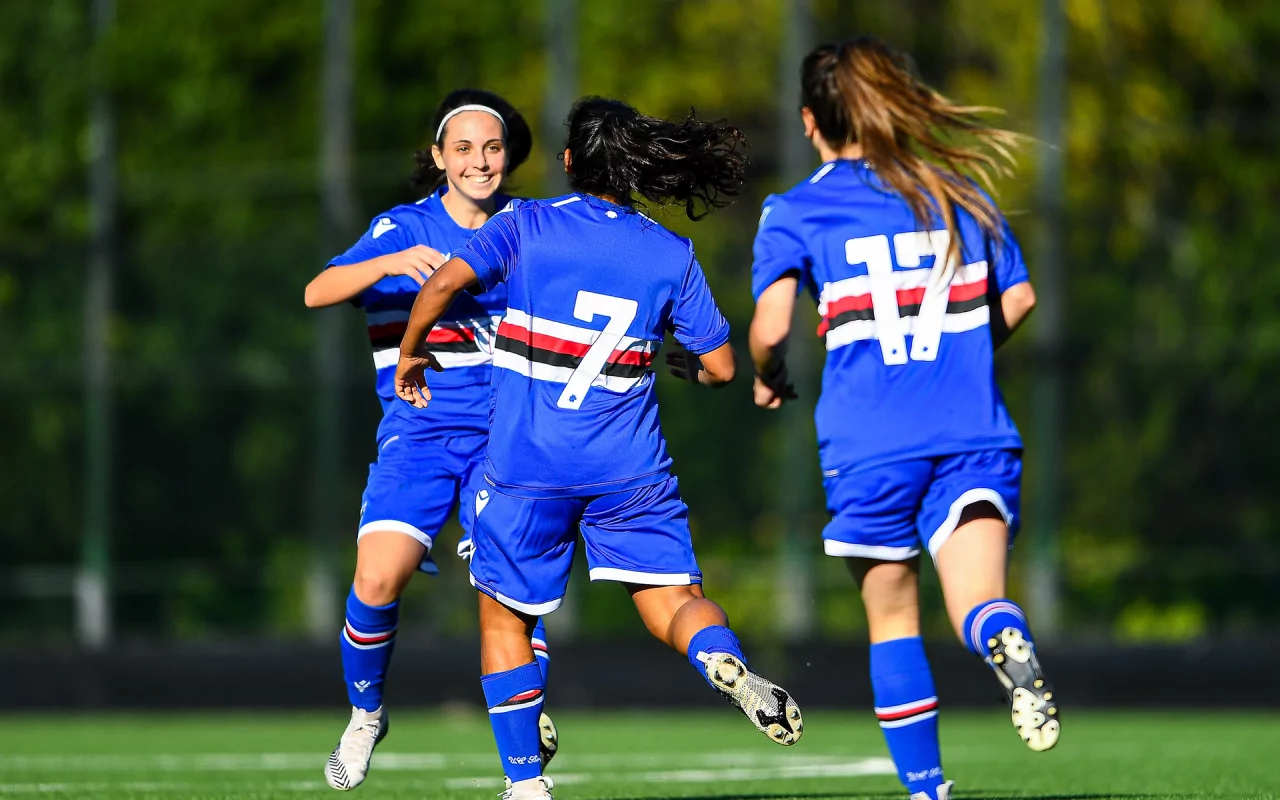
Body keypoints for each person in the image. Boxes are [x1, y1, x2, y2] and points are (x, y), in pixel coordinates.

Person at [394, 97, 804, 800]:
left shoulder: (524, 223)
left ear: (568, 161)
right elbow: (721, 367)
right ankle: (720, 658)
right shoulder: (670, 252)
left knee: (505, 616)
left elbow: (443, 282)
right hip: (629, 469)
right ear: (636, 166)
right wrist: (683, 366)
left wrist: (410, 352)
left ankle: (526, 785)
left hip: (528, 466)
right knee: (675, 603)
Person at [747, 37, 1055, 800]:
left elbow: (771, 329)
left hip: (869, 443)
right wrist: (961, 353)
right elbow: (1019, 298)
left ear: (810, 121)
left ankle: (927, 789)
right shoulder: (956, 189)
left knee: (892, 621)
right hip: (973, 432)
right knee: (977, 599)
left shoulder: (796, 209)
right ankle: (1002, 636)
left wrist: (768, 375)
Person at [304, 89, 556, 792]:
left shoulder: (529, 227)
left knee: (507, 598)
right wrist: (387, 264)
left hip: (506, 441)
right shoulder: (402, 227)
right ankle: (366, 714)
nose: (481, 161)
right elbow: (317, 292)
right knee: (377, 578)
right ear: (440, 158)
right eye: (464, 148)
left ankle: (526, 759)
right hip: (418, 436)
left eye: (493, 147)